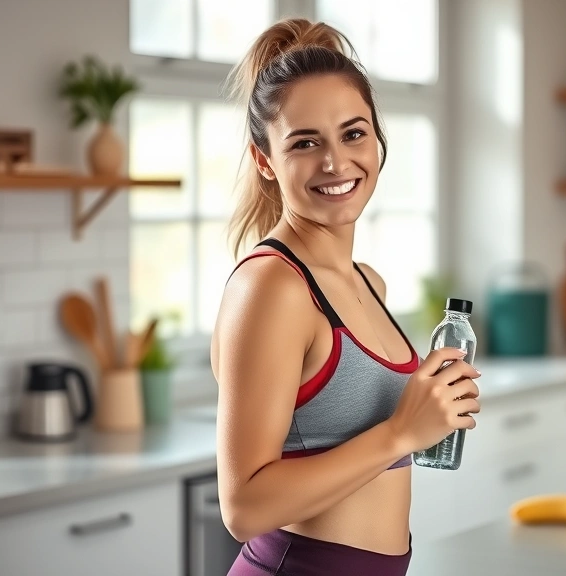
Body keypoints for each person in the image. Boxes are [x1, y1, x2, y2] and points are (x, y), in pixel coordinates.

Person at [210, 17, 481, 576]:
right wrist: (401, 432)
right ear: (265, 161)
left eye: (353, 133)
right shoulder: (272, 286)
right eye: (305, 143)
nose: (336, 162)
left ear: (377, 140)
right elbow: (243, 507)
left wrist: (434, 409)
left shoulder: (368, 282)